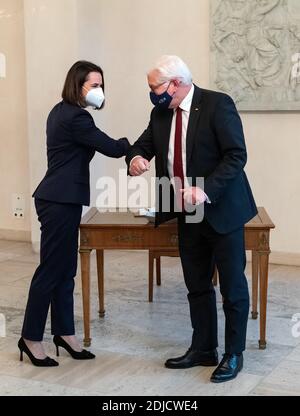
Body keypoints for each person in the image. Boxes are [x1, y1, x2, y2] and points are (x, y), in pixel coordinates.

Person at [126, 55, 257, 383]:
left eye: (155, 87)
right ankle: (203, 348)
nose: (152, 93)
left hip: (222, 209)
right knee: (197, 285)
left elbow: (236, 155)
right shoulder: (160, 113)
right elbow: (142, 146)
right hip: (186, 213)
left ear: (177, 83)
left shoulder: (217, 104)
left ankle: (233, 353)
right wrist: (136, 158)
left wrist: (206, 190)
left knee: (232, 286)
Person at [19, 61, 129, 367]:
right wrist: (135, 147)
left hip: (60, 199)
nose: (99, 91)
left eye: (101, 85)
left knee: (66, 270)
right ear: (77, 84)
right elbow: (110, 147)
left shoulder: (60, 111)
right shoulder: (77, 118)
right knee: (51, 270)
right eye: (94, 85)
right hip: (58, 200)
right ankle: (30, 338)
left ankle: (65, 333)